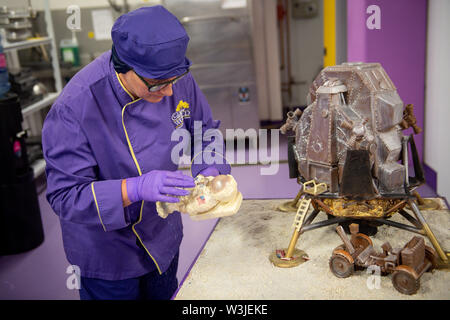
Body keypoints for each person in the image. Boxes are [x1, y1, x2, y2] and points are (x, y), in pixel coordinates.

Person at [42, 5, 230, 300]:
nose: (169, 93)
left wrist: (210, 167)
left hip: (162, 237)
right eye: (157, 85)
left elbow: (205, 132)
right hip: (107, 254)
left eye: (173, 82)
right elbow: (65, 196)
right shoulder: (75, 107)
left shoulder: (172, 77)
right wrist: (136, 188)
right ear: (124, 68)